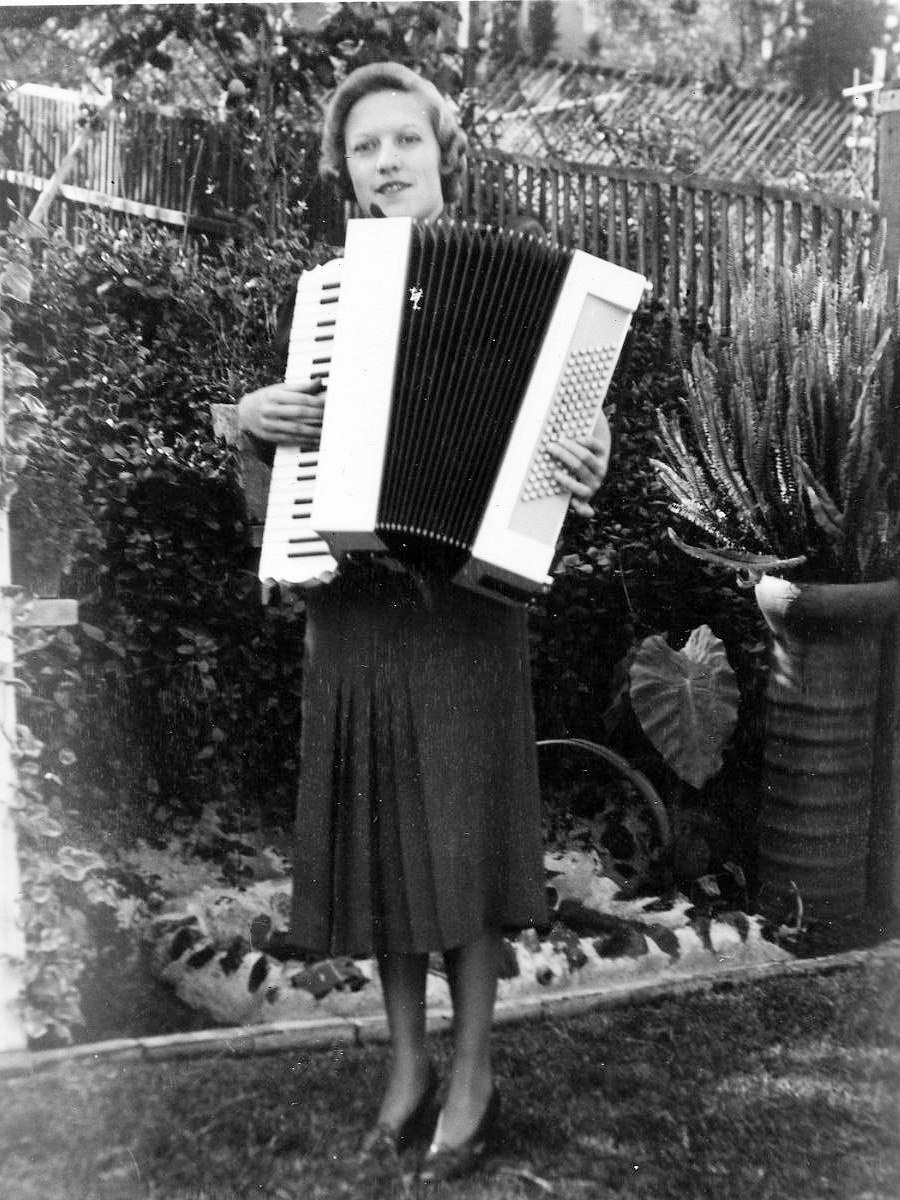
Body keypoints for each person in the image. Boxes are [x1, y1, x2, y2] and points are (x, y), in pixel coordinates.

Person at [238, 61, 611, 1183]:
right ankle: (406, 1068)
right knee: (385, 848)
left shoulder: (536, 294)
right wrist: (251, 423)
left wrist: (581, 464)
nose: (387, 161)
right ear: (343, 169)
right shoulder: (325, 292)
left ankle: (475, 1074)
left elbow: (564, 478)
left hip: (464, 614)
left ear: (444, 153)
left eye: (406, 140)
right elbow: (276, 459)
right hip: (355, 612)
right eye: (365, 147)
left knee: (458, 843)